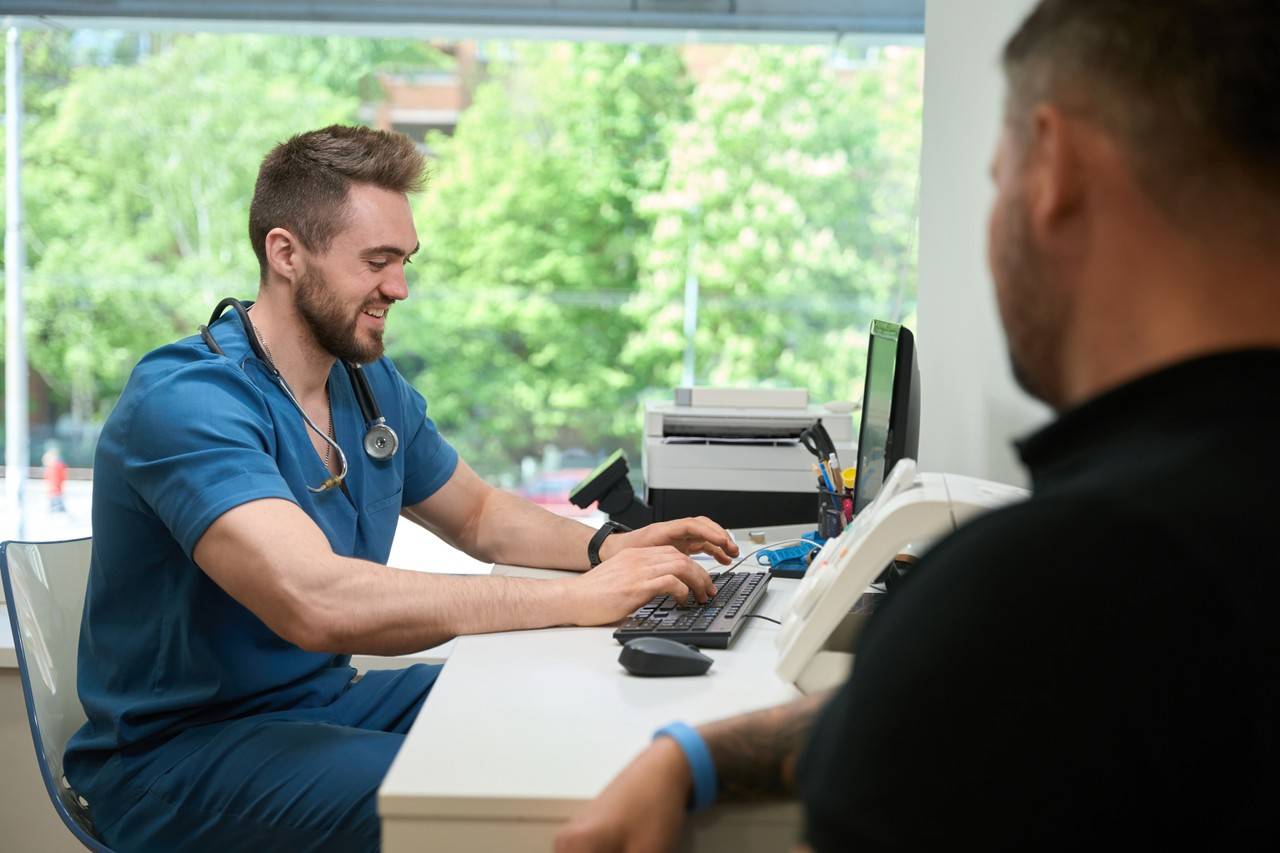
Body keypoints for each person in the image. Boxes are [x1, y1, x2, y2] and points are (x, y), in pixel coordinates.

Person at [556, 1, 1280, 850]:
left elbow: (986, 680)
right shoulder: (1126, 591)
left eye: (999, 174)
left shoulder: (1074, 580)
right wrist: (695, 753)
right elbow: (992, 695)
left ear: (1054, 169)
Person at [63, 124, 738, 852]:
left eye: (405, 260)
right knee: (491, 802)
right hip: (178, 757)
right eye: (377, 261)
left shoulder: (362, 381)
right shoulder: (189, 399)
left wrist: (608, 548)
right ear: (285, 253)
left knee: (573, 714)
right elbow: (313, 599)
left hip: (320, 703)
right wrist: (574, 598)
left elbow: (479, 513)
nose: (400, 287)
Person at [42, 442, 68, 513]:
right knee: (58, 508)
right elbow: (63, 477)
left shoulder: (50, 467)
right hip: (56, 491)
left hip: (53, 491)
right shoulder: (59, 466)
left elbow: (46, 479)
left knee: (55, 508)